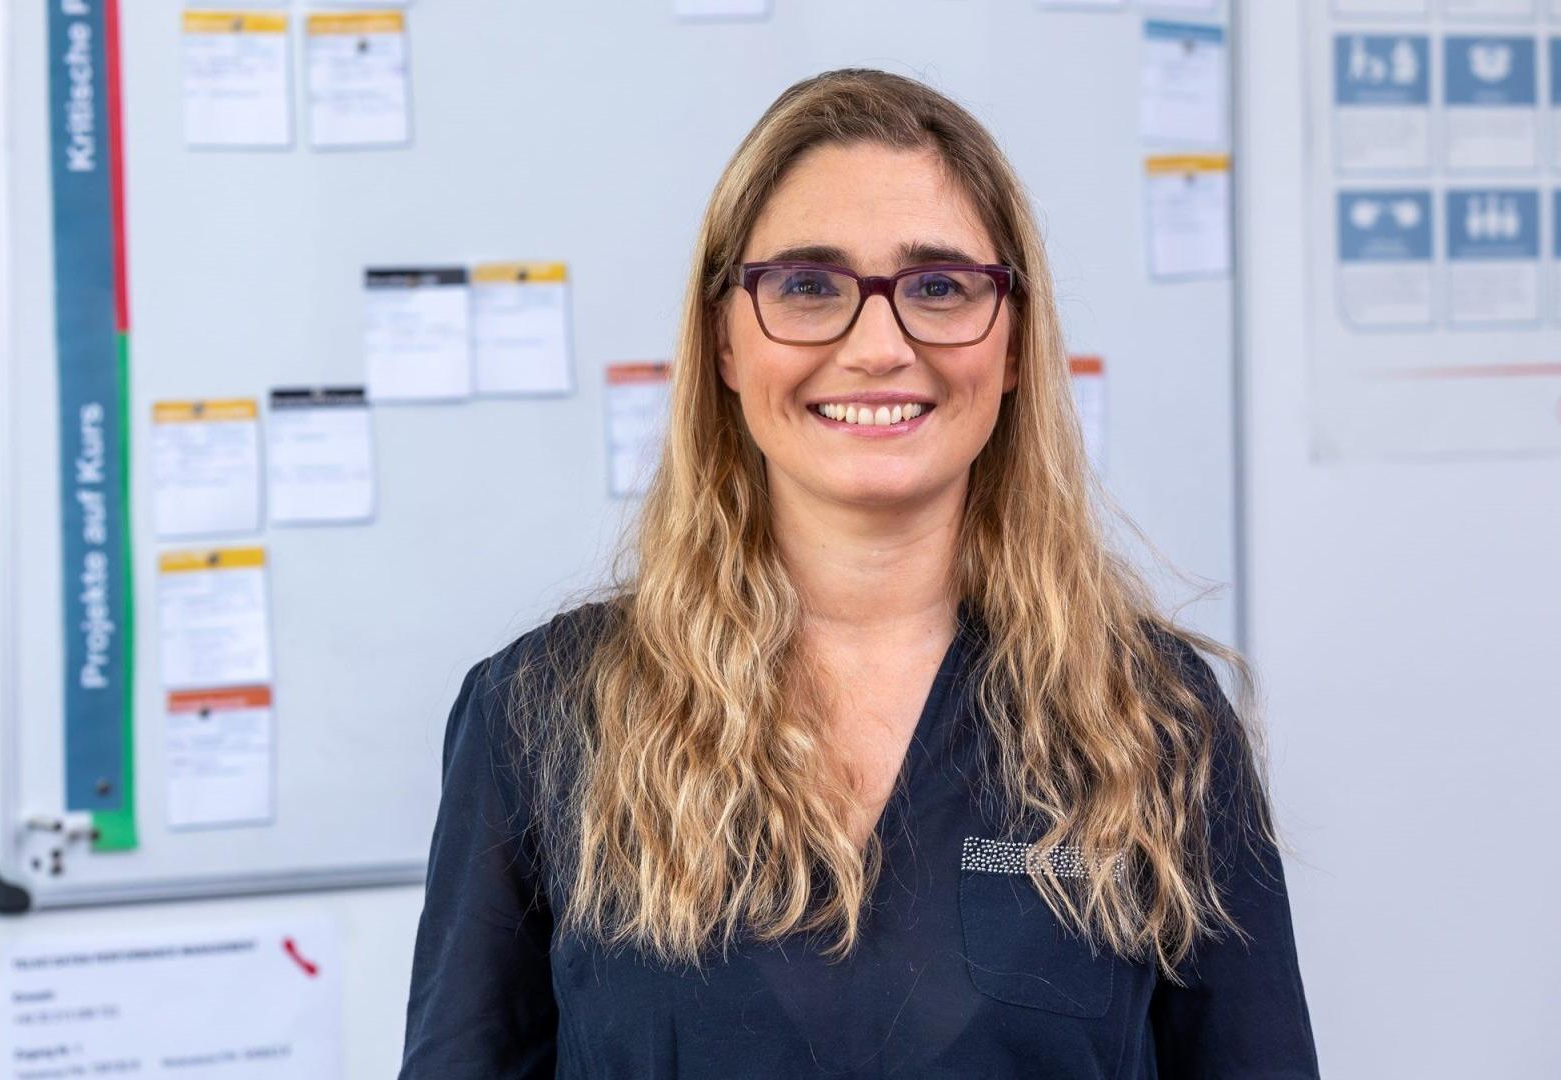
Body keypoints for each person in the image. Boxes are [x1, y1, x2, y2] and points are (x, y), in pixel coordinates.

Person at [399, 68, 1319, 1078]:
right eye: (807, 286)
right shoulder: (539, 717)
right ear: (724, 341)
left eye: (938, 288)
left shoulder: (1153, 721)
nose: (879, 345)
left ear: (1012, 341)